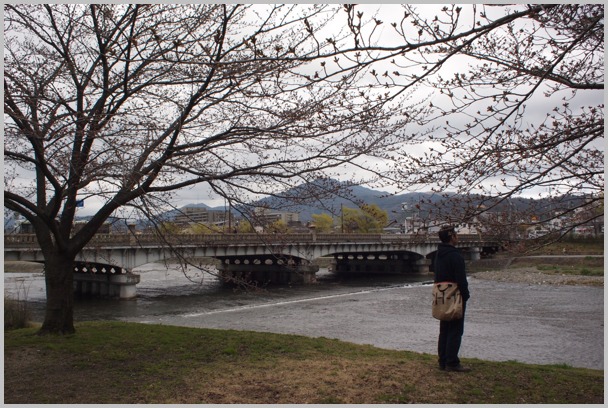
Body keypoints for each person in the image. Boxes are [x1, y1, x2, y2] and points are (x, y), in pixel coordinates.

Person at [434, 225, 471, 372]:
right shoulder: (455, 256)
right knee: (456, 329)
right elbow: (461, 279)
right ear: (452, 237)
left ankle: (442, 361)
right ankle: (452, 362)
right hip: (454, 295)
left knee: (444, 329)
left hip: (441, 295)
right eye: (456, 235)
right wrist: (465, 295)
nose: (458, 237)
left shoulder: (438, 254)